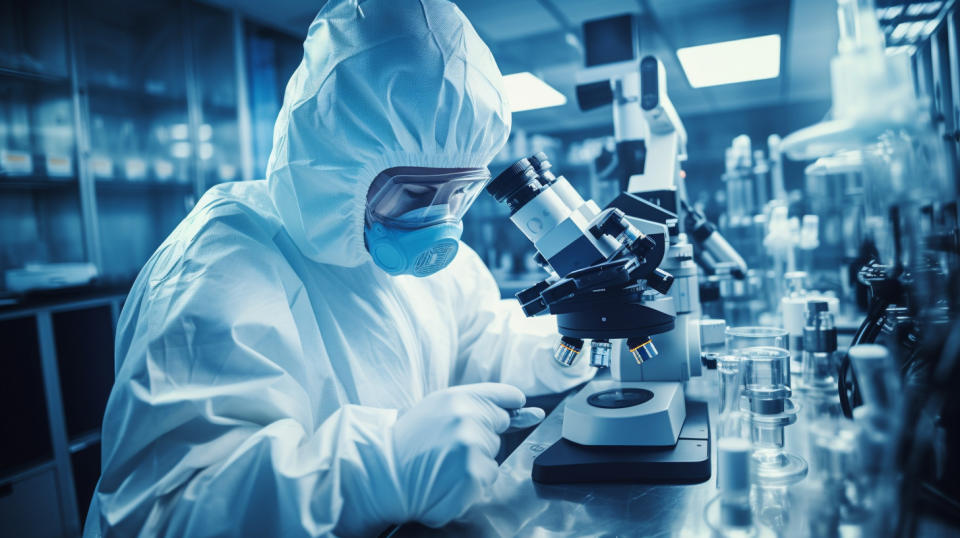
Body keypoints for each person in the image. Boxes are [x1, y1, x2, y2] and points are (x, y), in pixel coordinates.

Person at [84, 0, 594, 536]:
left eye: (459, 191)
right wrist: (376, 469)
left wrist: (570, 341)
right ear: (337, 165)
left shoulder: (441, 263)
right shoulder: (219, 264)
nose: (438, 220)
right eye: (414, 192)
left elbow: (479, 341)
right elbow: (163, 514)